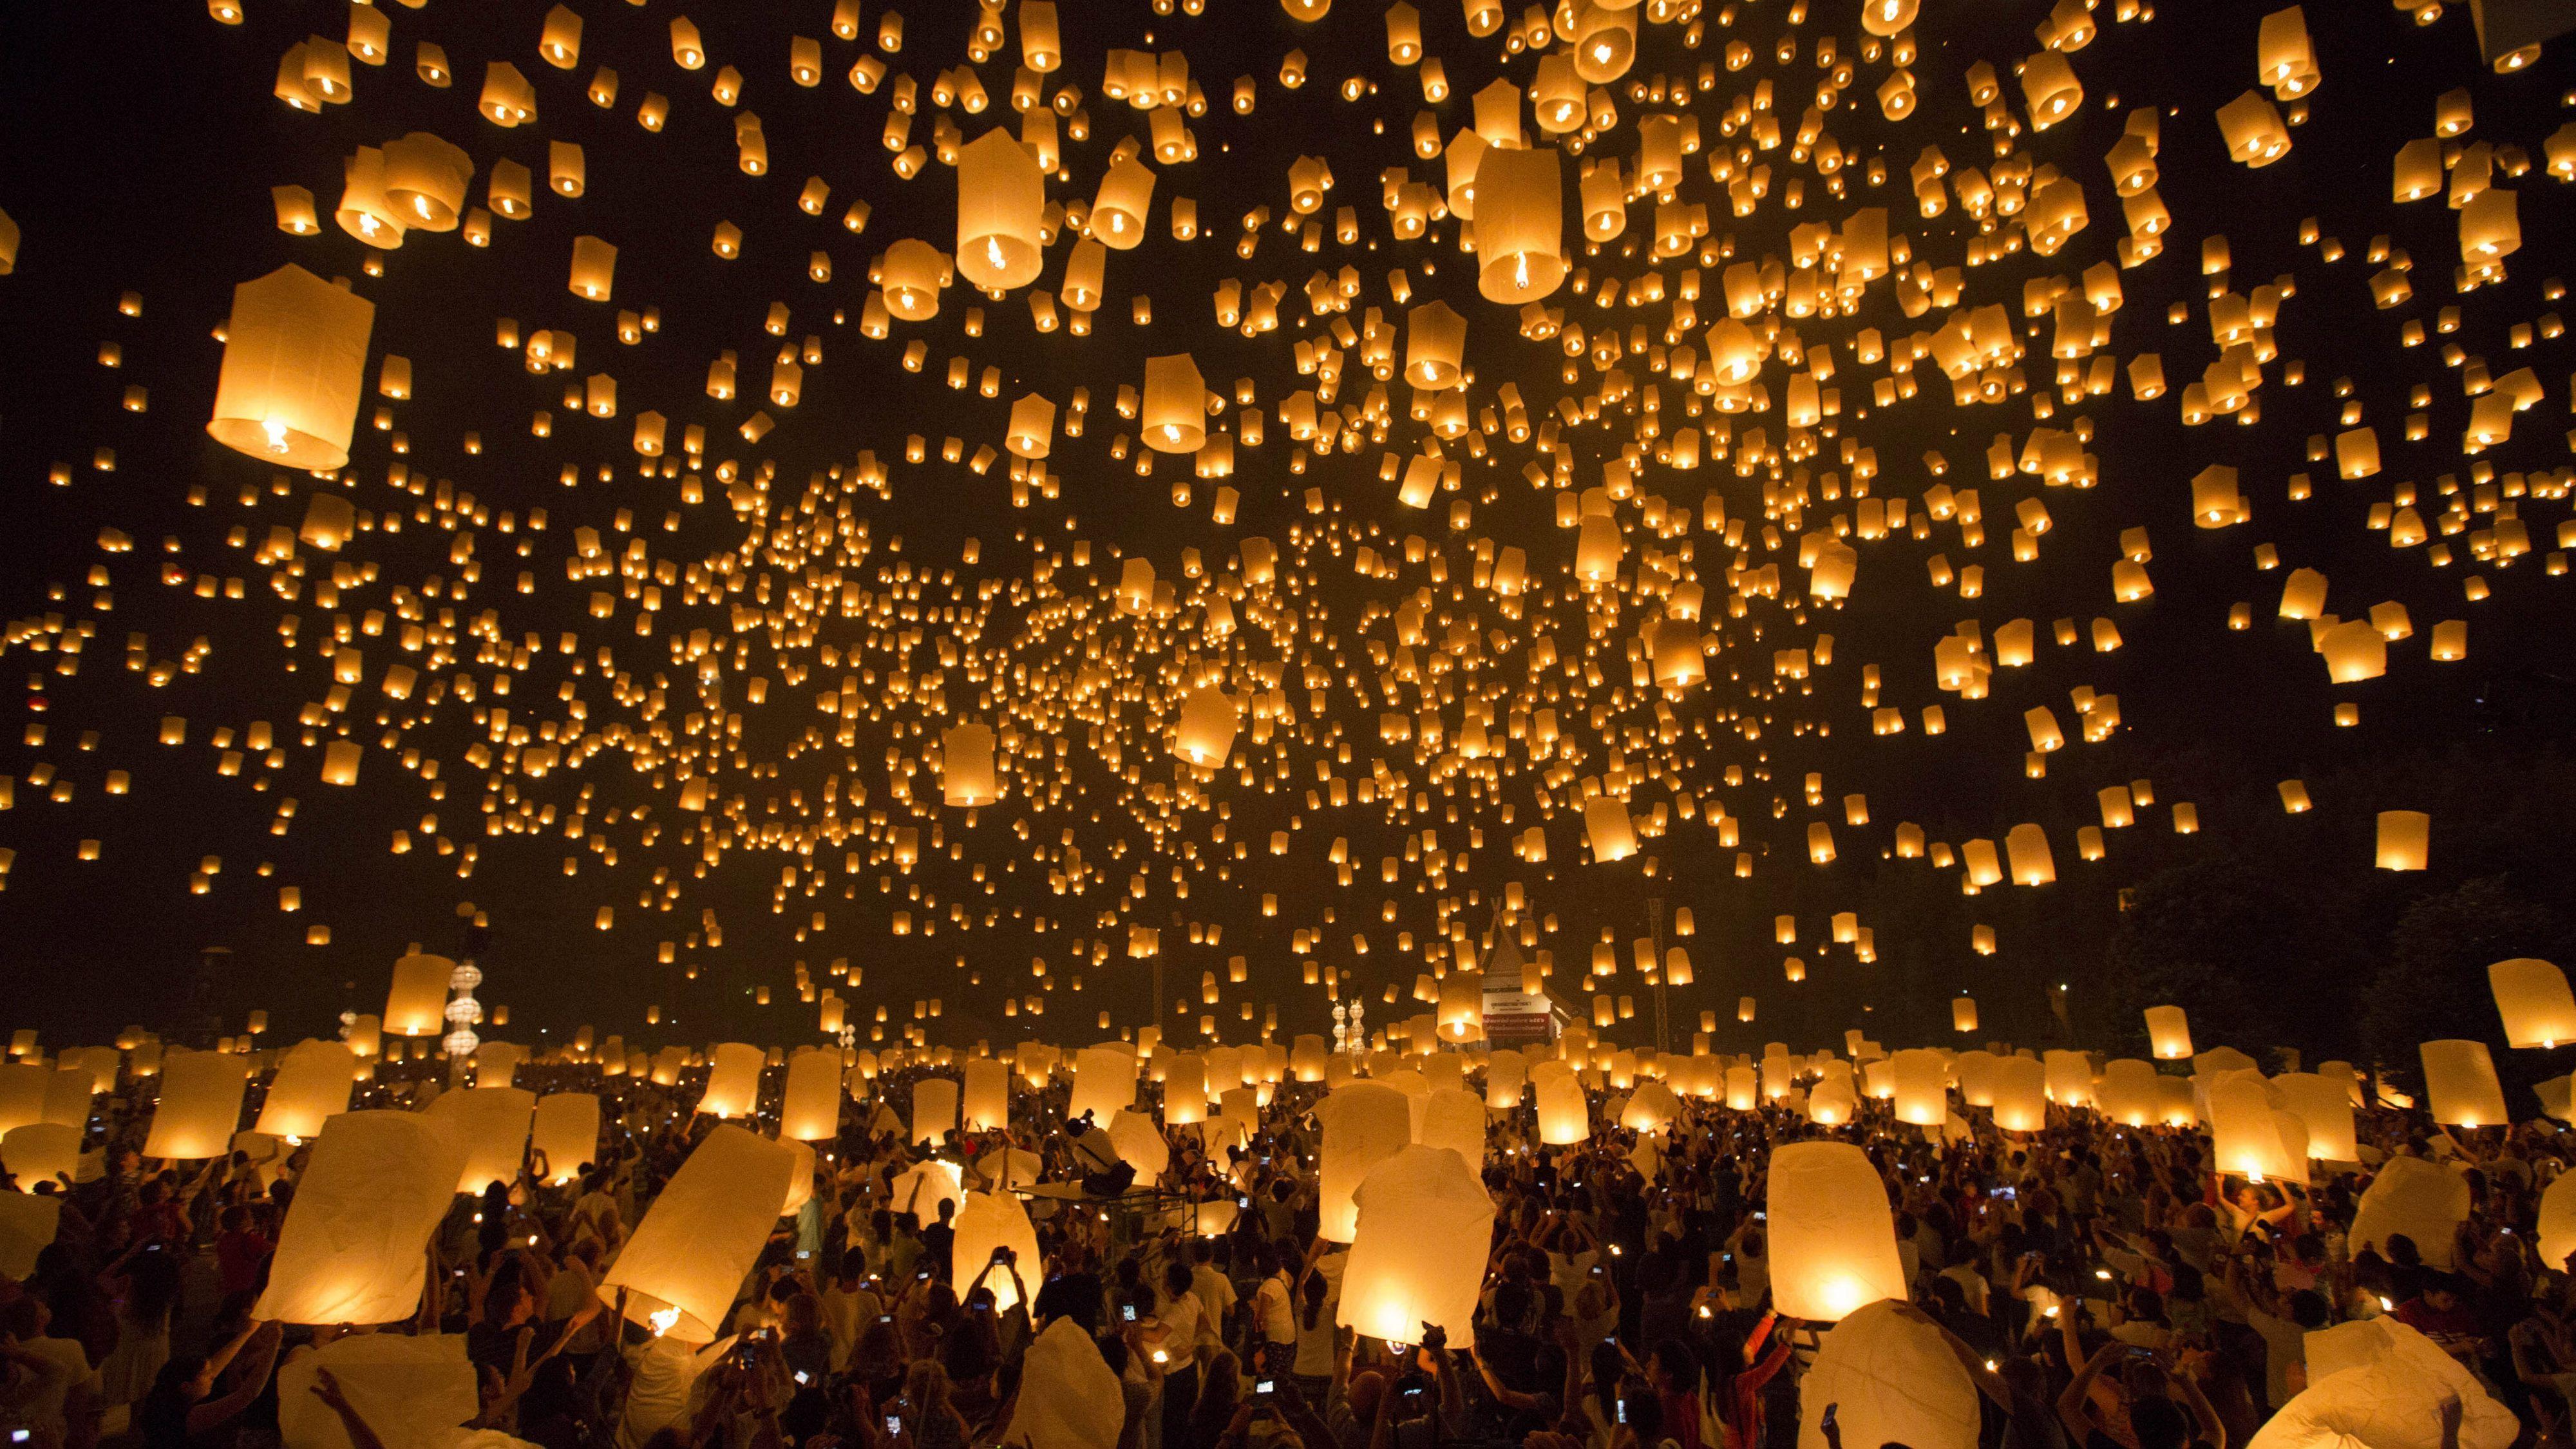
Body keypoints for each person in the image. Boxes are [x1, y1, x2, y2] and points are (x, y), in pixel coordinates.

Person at [135, 1318, 281, 1449]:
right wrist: (274, 1344)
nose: (212, 1377)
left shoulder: (163, 1400)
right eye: (205, 1375)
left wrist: (247, 1333)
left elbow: (215, 1364)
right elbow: (247, 1394)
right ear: (185, 1387)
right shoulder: (183, 1417)